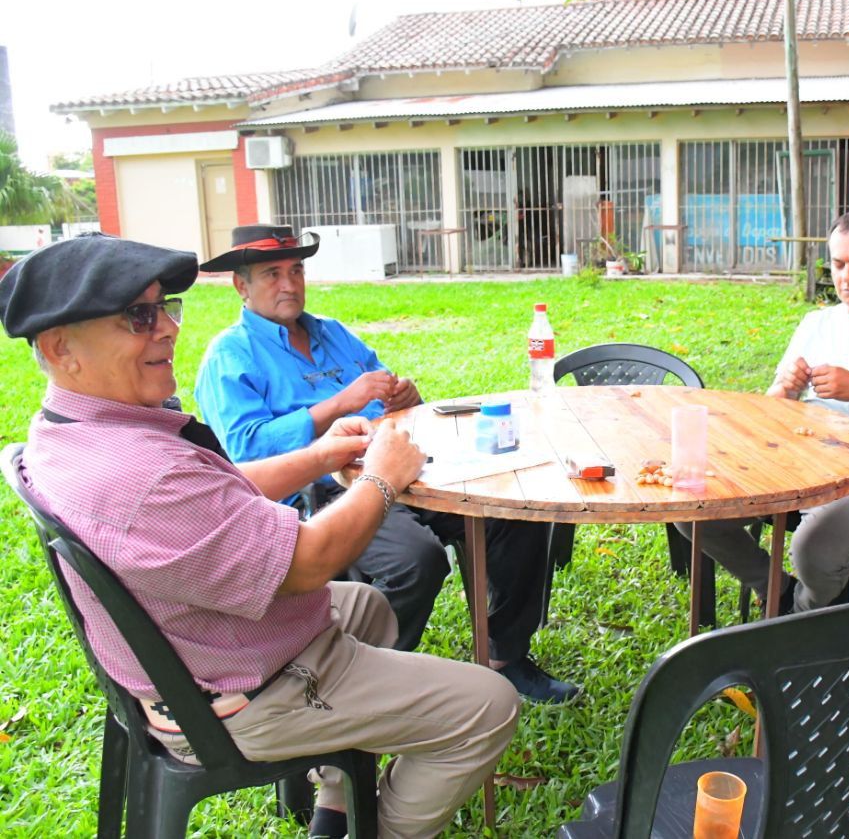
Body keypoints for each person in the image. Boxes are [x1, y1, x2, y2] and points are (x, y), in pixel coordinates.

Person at [1, 234, 519, 838]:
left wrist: (323, 453)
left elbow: (221, 482)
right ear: (62, 347)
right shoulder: (143, 473)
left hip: (192, 651)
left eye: (165, 307)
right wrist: (381, 478)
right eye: (138, 317)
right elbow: (309, 564)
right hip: (235, 694)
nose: (167, 328)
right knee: (487, 706)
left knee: (370, 606)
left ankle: (337, 801)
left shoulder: (74, 431)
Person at [194, 225, 578, 703]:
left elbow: (383, 404)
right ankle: (354, 684)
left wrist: (402, 399)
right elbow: (246, 451)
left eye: (296, 270)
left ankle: (505, 655)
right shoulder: (229, 356)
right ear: (241, 285)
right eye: (272, 274)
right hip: (322, 491)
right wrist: (337, 404)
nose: (289, 284)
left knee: (514, 511)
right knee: (416, 560)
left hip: (397, 466)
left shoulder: (330, 334)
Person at [677, 211, 849, 612]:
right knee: (691, 505)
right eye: (838, 264)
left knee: (813, 549)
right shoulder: (817, 322)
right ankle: (779, 593)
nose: (847, 277)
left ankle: (802, 619)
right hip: (797, 459)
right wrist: (786, 387)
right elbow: (774, 409)